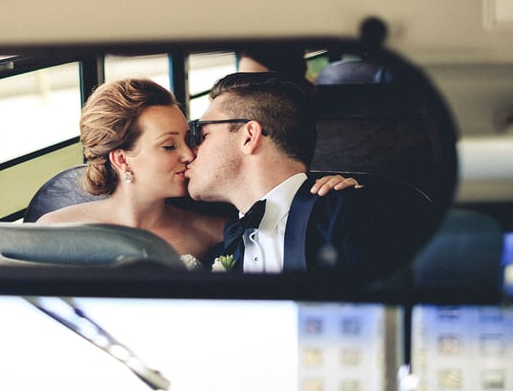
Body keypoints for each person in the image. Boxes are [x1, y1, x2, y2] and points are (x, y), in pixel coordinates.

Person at [38, 78, 358, 268]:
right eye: (168, 146)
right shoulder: (54, 230)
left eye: (193, 139)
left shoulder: (219, 232)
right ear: (122, 160)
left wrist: (326, 191)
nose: (189, 154)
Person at [185, 71, 433, 278]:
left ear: (249, 136)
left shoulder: (352, 212)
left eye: (202, 135)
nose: (189, 152)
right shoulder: (223, 253)